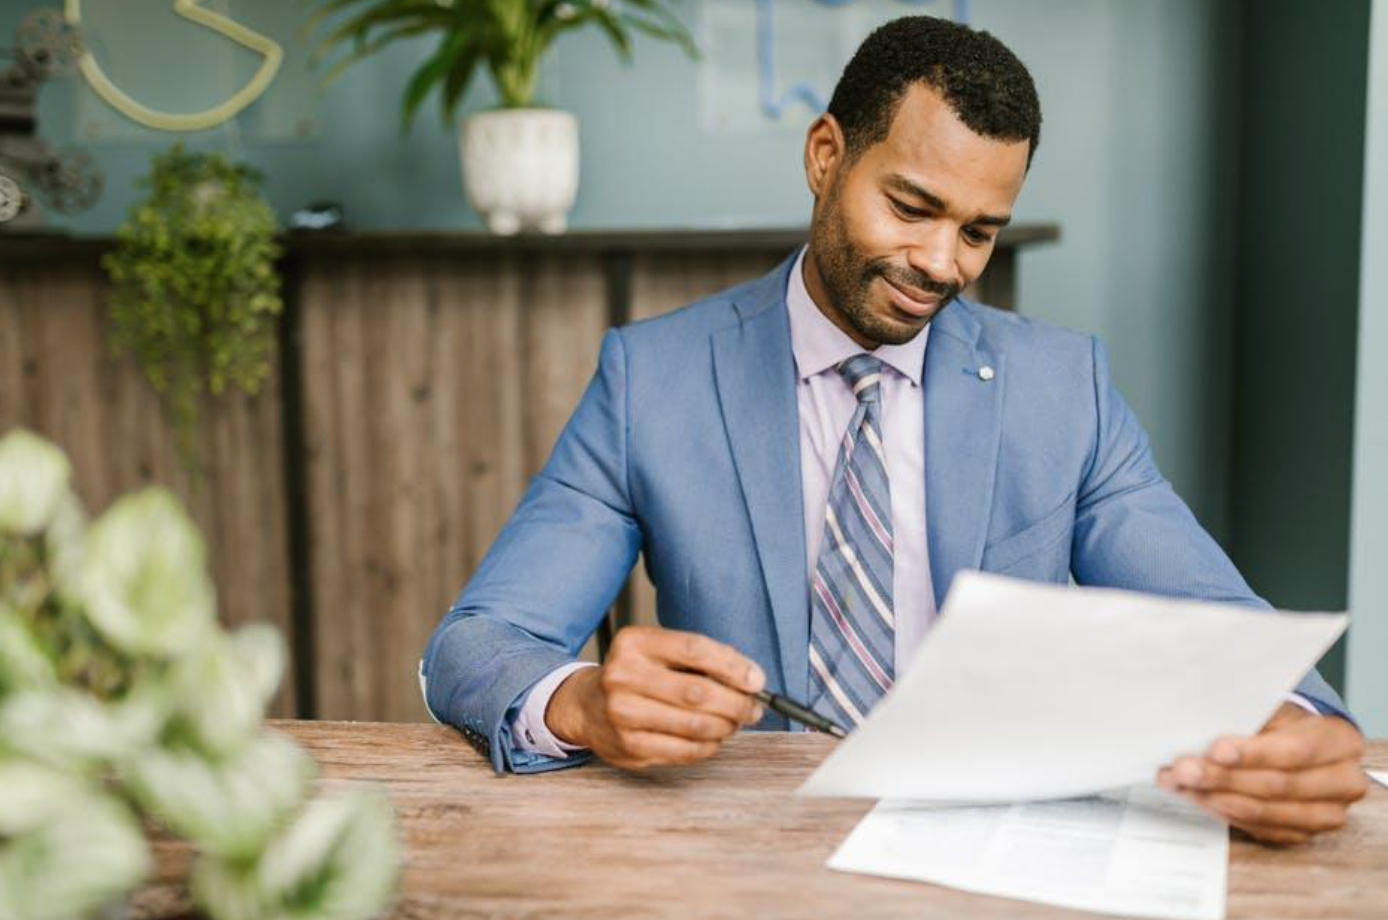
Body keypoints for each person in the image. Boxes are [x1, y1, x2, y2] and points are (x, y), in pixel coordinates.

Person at [421, 16, 1367, 845]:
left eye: (979, 231)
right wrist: (580, 703)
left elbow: (1226, 625)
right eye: (912, 208)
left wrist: (1295, 724)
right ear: (825, 155)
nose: (940, 264)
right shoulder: (654, 380)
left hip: (1001, 850)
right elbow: (476, 642)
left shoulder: (1062, 388)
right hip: (745, 847)